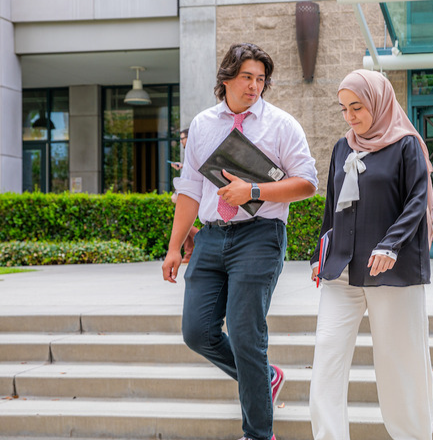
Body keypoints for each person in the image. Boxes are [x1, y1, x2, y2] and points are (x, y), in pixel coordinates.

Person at [162, 42, 318, 440]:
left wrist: (253, 191)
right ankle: (264, 377)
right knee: (197, 332)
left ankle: (258, 433)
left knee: (247, 333)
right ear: (227, 78)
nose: (254, 86)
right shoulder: (202, 125)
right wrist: (175, 246)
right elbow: (191, 189)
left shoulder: (281, 124)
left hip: (260, 235)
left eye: (261, 79)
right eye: (247, 77)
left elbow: (307, 185)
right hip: (212, 237)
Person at [308, 69, 433, 440]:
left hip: (391, 273)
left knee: (401, 366)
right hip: (343, 272)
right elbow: (332, 207)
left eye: (357, 107)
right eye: (344, 109)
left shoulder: (406, 145)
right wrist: (322, 254)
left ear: (379, 102)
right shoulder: (342, 147)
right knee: (326, 361)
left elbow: (416, 202)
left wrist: (390, 244)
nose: (350, 117)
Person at [170, 127, 197, 263]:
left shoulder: (194, 149)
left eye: (182, 138)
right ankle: (189, 254)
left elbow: (191, 178)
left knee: (184, 222)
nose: (181, 141)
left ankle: (200, 237)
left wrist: (177, 193)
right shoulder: (188, 152)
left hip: (194, 192)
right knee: (183, 220)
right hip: (189, 189)